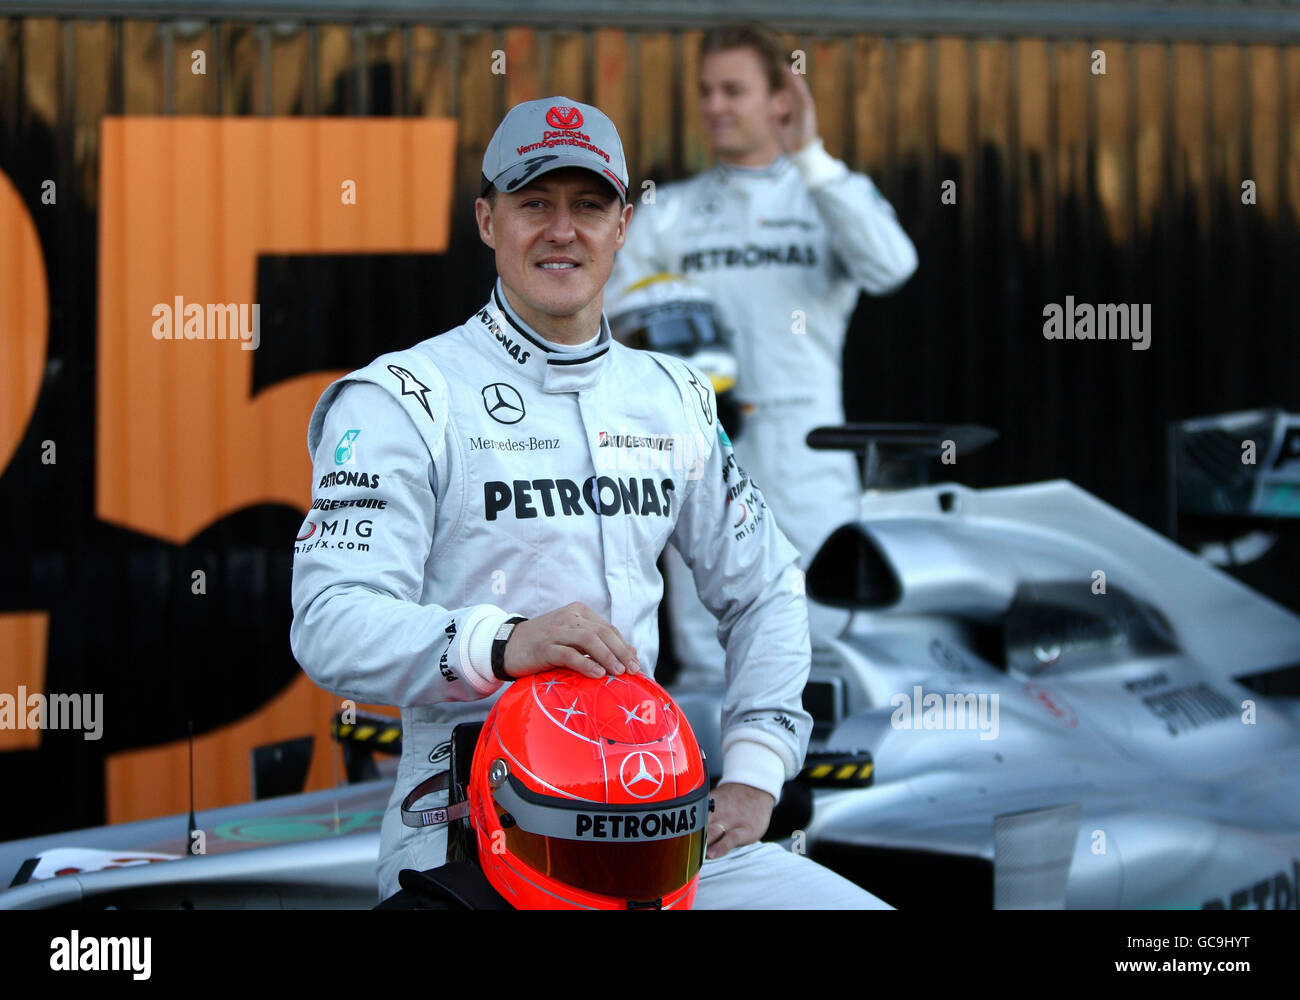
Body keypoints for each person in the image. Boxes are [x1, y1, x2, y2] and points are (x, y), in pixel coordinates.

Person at [289, 95, 889, 909]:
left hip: (663, 839)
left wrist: (753, 772)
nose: (562, 230)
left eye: (588, 205)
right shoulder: (404, 398)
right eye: (534, 203)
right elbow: (328, 619)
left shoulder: (673, 397)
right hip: (476, 843)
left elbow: (768, 586)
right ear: (486, 220)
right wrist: (504, 642)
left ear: (624, 225)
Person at [607, 25, 918, 685]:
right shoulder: (671, 211)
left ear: (783, 99)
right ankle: (720, 781)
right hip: (702, 443)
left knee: (824, 638)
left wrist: (810, 155)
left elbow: (892, 267)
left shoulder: (827, 194)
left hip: (807, 446)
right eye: (705, 91)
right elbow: (608, 316)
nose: (715, 105)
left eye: (734, 90)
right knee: (708, 646)